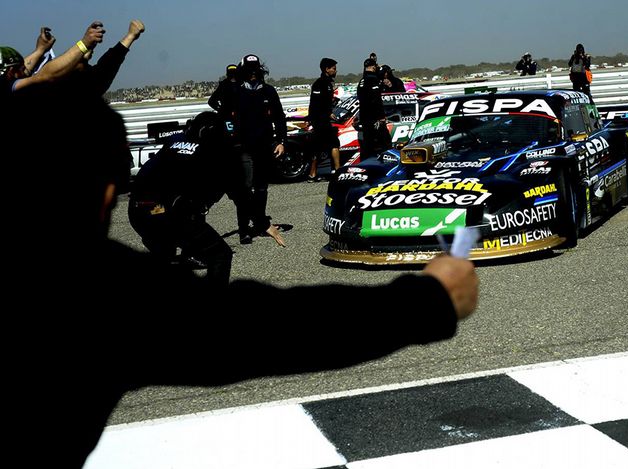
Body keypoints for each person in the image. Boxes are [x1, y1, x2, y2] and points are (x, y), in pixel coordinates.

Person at [3, 57, 479, 469]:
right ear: (107, 192)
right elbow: (266, 328)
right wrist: (428, 300)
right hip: (171, 219)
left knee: (175, 259)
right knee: (216, 256)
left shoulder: (168, 163)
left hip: (152, 211)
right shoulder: (103, 292)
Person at [128, 111, 236, 287]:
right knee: (220, 255)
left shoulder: (174, 140)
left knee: (165, 254)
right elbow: (231, 188)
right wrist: (261, 221)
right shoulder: (209, 150)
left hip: (137, 210)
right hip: (164, 212)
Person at [233, 53, 287, 246]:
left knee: (262, 187)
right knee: (245, 189)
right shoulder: (236, 92)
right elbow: (226, 119)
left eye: (255, 70)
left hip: (265, 147)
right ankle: (243, 229)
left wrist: (281, 141)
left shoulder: (269, 91)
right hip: (244, 149)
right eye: (249, 70)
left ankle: (260, 224)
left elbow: (280, 117)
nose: (253, 73)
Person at [1, 21, 104, 102]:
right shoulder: (9, 88)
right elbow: (44, 76)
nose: (25, 72)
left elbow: (25, 68)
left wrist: (40, 50)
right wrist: (84, 44)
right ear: (10, 72)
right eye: (21, 70)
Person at [307, 57, 340, 181]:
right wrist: (328, 113)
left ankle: (312, 174)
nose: (336, 71)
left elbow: (320, 102)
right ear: (327, 69)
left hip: (319, 121)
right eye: (334, 69)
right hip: (321, 121)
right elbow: (317, 103)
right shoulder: (322, 83)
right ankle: (338, 172)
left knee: (317, 148)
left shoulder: (324, 83)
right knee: (334, 144)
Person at [357, 57, 391, 160]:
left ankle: (365, 163)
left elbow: (360, 98)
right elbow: (376, 99)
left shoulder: (361, 81)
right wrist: (381, 116)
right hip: (374, 118)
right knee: (386, 142)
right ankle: (388, 162)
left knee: (367, 144)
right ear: (373, 67)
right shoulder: (373, 79)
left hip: (364, 117)